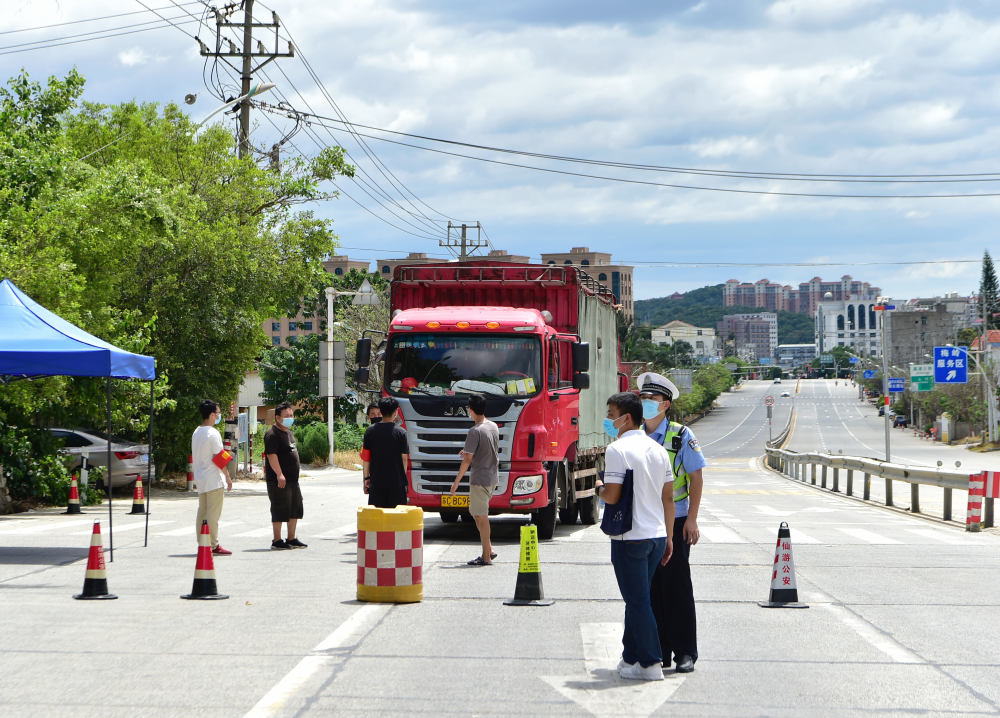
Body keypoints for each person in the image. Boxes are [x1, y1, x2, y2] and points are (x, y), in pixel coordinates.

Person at [594, 391, 674, 681]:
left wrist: (599, 487)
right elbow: (668, 497)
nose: (609, 420)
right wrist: (669, 537)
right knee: (637, 599)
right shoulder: (658, 450)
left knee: (638, 601)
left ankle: (651, 662)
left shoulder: (617, 450)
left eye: (612, 414)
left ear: (626, 417)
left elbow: (612, 496)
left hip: (630, 538)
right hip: (656, 536)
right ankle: (630, 657)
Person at [639, 371, 707, 674]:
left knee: (676, 587)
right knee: (650, 588)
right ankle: (659, 650)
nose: (646, 404)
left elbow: (696, 477)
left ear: (665, 404)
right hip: (644, 522)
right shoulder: (634, 435)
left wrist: (692, 519)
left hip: (676, 521)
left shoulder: (681, 436)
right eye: (643, 398)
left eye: (652, 399)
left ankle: (685, 652)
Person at [449, 394, 499, 566]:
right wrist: (469, 452)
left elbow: (467, 460)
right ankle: (489, 549)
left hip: (479, 478)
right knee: (476, 513)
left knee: (481, 516)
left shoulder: (474, 431)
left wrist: (456, 482)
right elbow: (483, 450)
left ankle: (486, 556)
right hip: (492, 476)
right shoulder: (492, 426)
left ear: (470, 410)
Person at [191, 400, 233, 555]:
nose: (219, 416)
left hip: (201, 478)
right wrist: (228, 477)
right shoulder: (212, 433)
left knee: (202, 512)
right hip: (213, 479)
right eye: (218, 413)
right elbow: (219, 458)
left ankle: (202, 542)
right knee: (213, 514)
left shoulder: (197, 432)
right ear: (212, 415)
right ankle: (213, 545)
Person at [263, 402, 306, 550]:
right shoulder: (272, 434)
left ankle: (291, 538)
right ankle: (277, 540)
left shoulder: (288, 432)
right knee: (280, 508)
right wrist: (279, 474)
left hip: (293, 480)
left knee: (295, 508)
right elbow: (271, 455)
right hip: (279, 480)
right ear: (277, 418)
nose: (290, 418)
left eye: (291, 415)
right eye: (287, 416)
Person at [361, 396, 410, 508]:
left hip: (376, 482)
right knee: (396, 518)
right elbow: (404, 459)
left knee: (378, 518)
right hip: (396, 483)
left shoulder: (370, 431)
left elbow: (366, 459)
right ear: (395, 412)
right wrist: (404, 481)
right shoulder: (401, 432)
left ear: (381, 412)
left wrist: (366, 478)